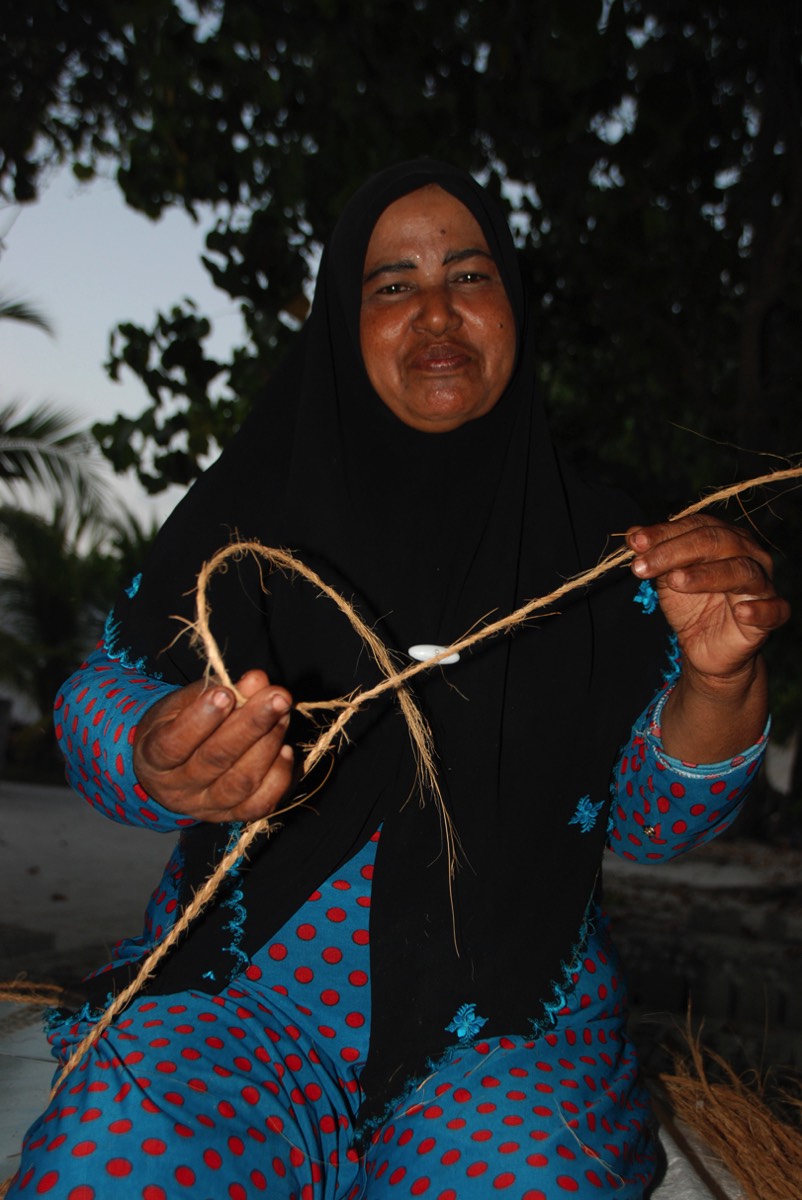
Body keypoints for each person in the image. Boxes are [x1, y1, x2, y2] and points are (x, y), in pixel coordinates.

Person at [7, 160, 788, 1200]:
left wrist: (719, 678)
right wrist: (157, 751)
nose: (435, 311)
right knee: (114, 1160)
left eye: (469, 276)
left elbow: (653, 825)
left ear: (512, 306)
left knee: (518, 1176)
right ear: (342, 319)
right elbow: (103, 695)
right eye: (391, 284)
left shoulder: (614, 547)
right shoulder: (248, 517)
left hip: (510, 1028)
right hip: (238, 1004)